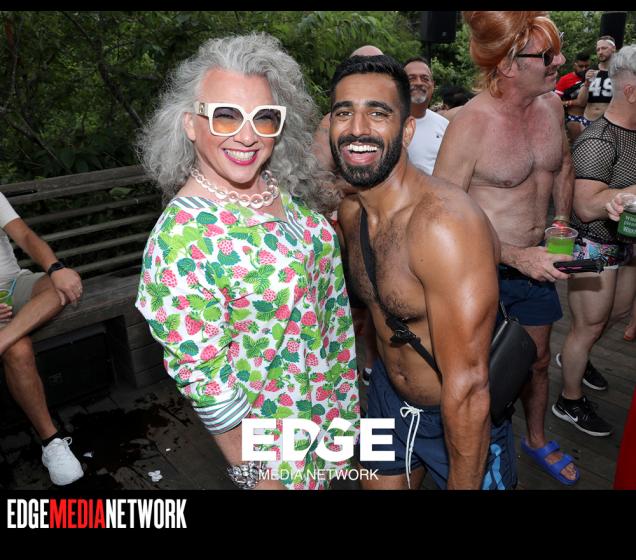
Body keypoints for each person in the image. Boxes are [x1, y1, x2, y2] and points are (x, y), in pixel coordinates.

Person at [135, 33, 359, 490]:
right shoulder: (181, 241)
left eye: (264, 117)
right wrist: (259, 479)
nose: (247, 135)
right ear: (190, 124)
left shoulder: (275, 183)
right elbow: (208, 384)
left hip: (327, 409)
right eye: (225, 115)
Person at [330, 54, 516, 490]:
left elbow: (468, 387)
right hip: (385, 398)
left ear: (407, 130)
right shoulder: (351, 212)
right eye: (344, 112)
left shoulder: (444, 227)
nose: (357, 128)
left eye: (378, 113)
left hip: (452, 418)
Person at [434, 11, 579, 486]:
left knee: (537, 362)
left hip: (539, 262)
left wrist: (561, 220)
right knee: (483, 376)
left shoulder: (552, 107)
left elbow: (562, 166)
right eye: (548, 55)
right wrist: (517, 257)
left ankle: (535, 438)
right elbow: (443, 221)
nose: (560, 61)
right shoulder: (470, 125)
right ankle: (480, 452)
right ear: (508, 64)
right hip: (482, 272)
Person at [553, 45, 636, 438]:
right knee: (586, 327)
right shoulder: (598, 140)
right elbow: (585, 207)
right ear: (631, 91)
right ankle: (568, 400)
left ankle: (577, 358)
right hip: (590, 248)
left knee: (615, 314)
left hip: (625, 246)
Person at [0, 193, 84, 486]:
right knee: (19, 350)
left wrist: (56, 269)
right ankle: (52, 442)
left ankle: (3, 339)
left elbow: (24, 234)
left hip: (14, 285)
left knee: (58, 288)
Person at [312, 45, 383, 388]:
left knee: (381, 307)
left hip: (386, 227)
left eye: (377, 66)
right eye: (362, 66)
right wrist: (363, 185)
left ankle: (371, 370)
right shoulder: (332, 122)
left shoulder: (388, 117)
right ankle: (339, 382)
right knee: (350, 313)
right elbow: (316, 183)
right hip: (347, 232)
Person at [404, 57, 449, 175]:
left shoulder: (445, 126)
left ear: (433, 85)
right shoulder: (388, 124)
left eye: (425, 78)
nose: (419, 83)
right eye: (411, 78)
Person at [576, 36, 617, 124]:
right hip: (588, 121)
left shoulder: (621, 72)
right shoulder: (590, 71)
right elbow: (581, 102)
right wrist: (586, 84)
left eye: (604, 48)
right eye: (598, 49)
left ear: (613, 48)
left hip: (611, 122)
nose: (600, 52)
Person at [556, 51, 592, 142]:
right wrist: (572, 102)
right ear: (574, 65)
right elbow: (555, 102)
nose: (584, 69)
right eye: (581, 66)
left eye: (587, 66)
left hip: (592, 118)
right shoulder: (564, 80)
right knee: (579, 145)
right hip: (574, 117)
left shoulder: (594, 77)